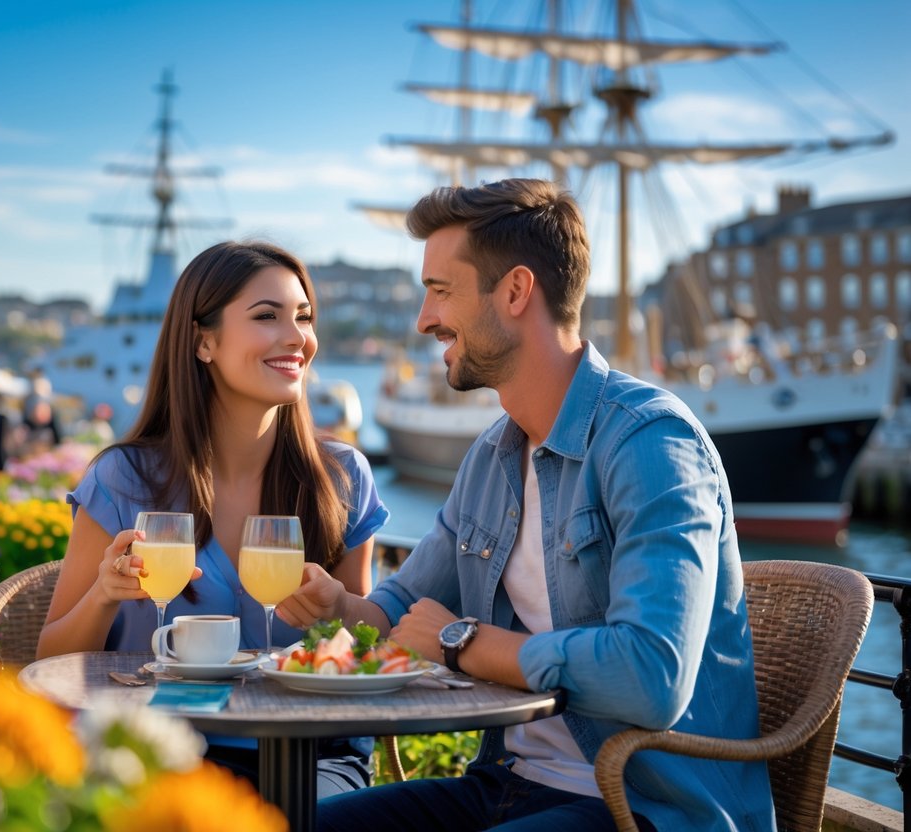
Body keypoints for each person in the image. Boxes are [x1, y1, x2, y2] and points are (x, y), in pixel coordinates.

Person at [276, 179, 776, 832]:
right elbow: (398, 612)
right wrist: (337, 607)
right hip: (507, 784)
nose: (424, 320)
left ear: (514, 292)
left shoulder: (651, 442)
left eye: (440, 291)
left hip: (642, 810)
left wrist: (465, 642)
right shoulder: (491, 455)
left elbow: (653, 679)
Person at [37, 241, 389, 797]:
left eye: (303, 316)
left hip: (308, 753)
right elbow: (50, 660)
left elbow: (360, 646)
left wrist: (340, 612)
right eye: (267, 316)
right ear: (204, 341)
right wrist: (103, 594)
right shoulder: (123, 479)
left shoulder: (341, 478)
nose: (298, 337)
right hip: (161, 746)